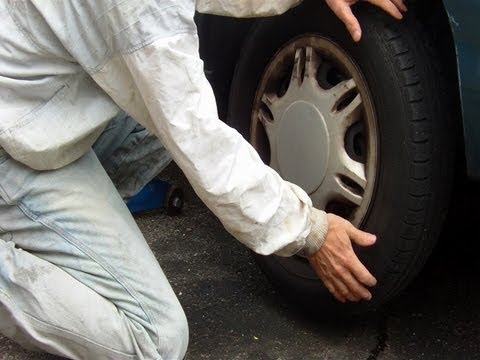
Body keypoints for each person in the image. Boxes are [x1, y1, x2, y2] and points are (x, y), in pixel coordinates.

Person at [0, 0, 406, 359]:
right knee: (156, 340)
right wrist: (309, 229)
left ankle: (66, 234)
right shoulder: (141, 13)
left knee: (166, 117)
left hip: (37, 105)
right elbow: (202, 145)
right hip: (12, 150)